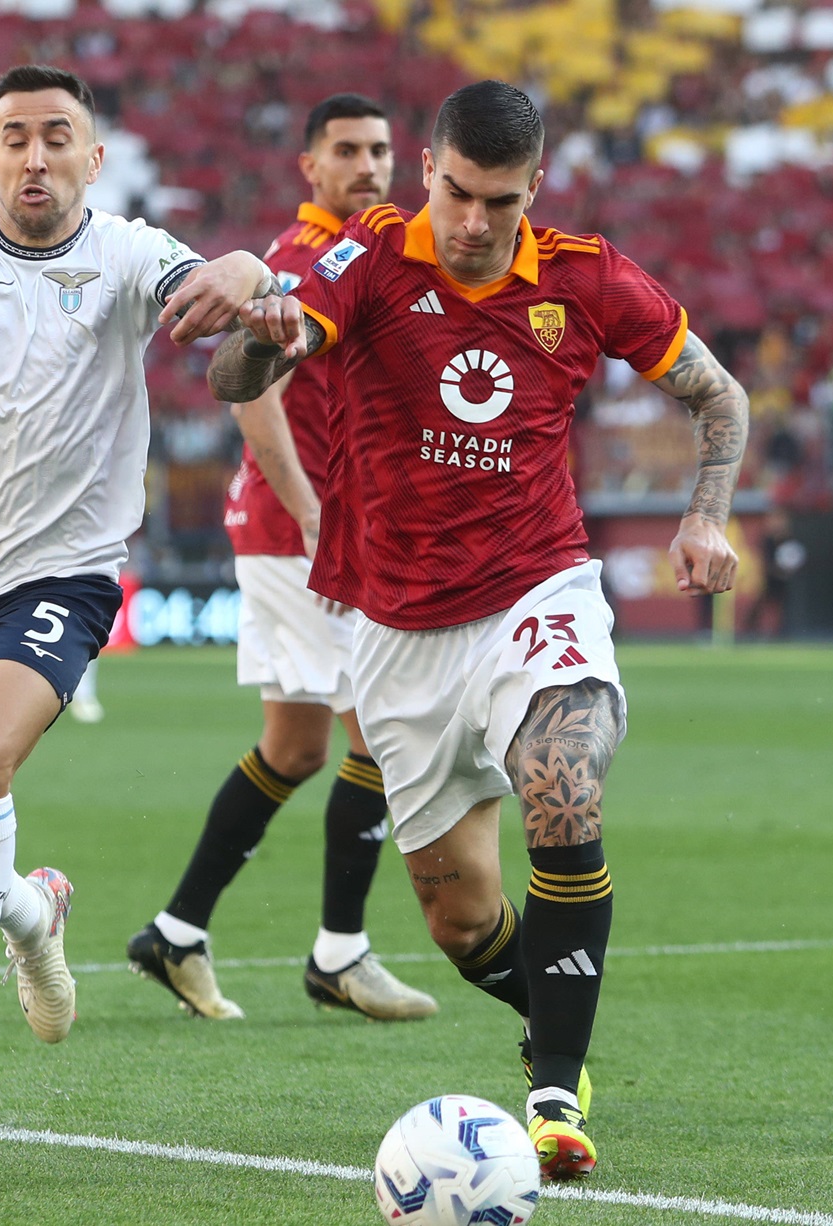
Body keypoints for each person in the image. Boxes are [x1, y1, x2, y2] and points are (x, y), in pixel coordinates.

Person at [208, 80, 748, 1179]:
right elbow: (234, 375)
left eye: (495, 202)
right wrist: (262, 337)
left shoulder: (585, 278)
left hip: (534, 595)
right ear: (426, 171)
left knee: (563, 775)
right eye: (454, 193)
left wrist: (703, 517)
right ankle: (555, 1001)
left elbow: (718, 397)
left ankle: (553, 1088)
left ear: (532, 188)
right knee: (459, 921)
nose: (468, 222)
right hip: (396, 632)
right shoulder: (365, 258)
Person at [0, 63, 278, 1148]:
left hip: (59, 572)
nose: (33, 156)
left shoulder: (127, 253)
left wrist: (250, 269)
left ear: (94, 156)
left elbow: (225, 327)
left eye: (56, 137)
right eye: (13, 138)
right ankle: (35, 913)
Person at [127, 93, 436, 1023]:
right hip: (300, 527)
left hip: (320, 528)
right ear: (310, 167)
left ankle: (176, 934)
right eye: (346, 150)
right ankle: (340, 952)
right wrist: (309, 509)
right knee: (379, 731)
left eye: (381, 149)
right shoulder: (303, 261)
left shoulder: (373, 253)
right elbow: (252, 391)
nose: (369, 165)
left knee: (296, 746)